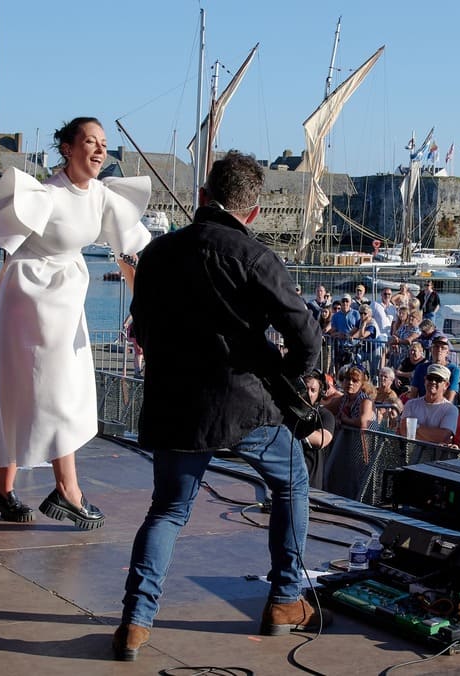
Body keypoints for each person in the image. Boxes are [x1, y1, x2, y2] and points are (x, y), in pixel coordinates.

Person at [118, 151, 326, 660]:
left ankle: (135, 624)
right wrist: (288, 375)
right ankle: (283, 600)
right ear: (252, 212)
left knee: (167, 510)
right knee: (293, 481)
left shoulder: (158, 253)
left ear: (204, 197)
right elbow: (308, 338)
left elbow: (140, 327)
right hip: (242, 405)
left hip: (173, 404)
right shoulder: (255, 257)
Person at [0, 117, 151, 527]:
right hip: (28, 298)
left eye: (104, 143)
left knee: (33, 391)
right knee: (55, 392)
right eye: (91, 142)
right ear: (68, 149)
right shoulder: (45, 196)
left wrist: (143, 305)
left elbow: (127, 254)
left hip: (64, 300)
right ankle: (68, 490)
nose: (100, 150)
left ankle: (2, 484)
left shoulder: (102, 196)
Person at [398, 363, 459, 444]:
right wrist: (432, 435)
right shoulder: (411, 404)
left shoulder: (451, 409)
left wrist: (415, 427)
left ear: (446, 385)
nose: (433, 382)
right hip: (410, 454)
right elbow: (403, 431)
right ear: (425, 380)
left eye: (438, 379)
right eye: (430, 378)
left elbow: (443, 437)